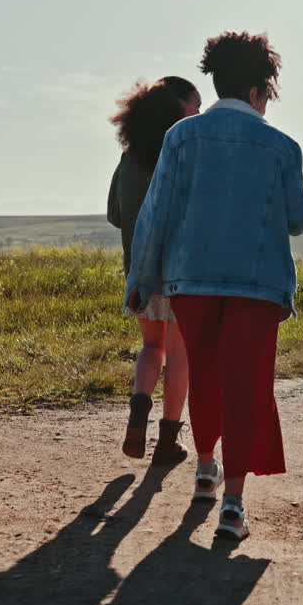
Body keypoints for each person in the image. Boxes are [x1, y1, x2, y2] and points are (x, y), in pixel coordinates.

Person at [125, 31, 303, 541]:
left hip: (192, 280)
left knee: (204, 375)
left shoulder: (181, 137)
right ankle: (233, 505)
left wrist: (141, 278)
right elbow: (297, 219)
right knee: (246, 386)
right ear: (259, 89)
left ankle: (204, 466)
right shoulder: (282, 147)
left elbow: (155, 213)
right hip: (258, 284)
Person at [106, 76, 202, 466]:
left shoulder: (128, 157)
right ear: (178, 109)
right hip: (180, 270)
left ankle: (138, 413)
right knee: (180, 354)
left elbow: (115, 214)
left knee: (151, 347)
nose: (198, 115)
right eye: (194, 108)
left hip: (140, 270)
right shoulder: (183, 153)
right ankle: (167, 441)